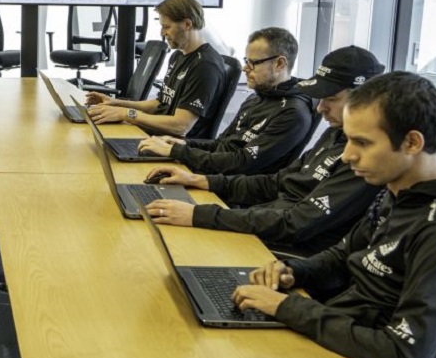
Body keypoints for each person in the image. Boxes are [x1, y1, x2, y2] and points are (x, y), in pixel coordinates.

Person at [231, 71, 436, 358]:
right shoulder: (400, 189)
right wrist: (292, 271)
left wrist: (288, 309)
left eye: (362, 143)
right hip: (340, 335)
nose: (346, 156)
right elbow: (344, 256)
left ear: (412, 143)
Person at [145, 46, 384, 257]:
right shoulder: (335, 133)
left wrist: (200, 215)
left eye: (331, 98)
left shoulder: (365, 160)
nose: (321, 108)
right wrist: (199, 180)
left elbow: (297, 224)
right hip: (267, 222)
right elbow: (276, 182)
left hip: (287, 248)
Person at [137, 27, 314, 175]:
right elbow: (222, 144)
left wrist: (178, 152)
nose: (245, 68)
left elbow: (243, 163)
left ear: (280, 64)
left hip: (231, 189)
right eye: (246, 61)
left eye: (253, 63)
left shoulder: (293, 114)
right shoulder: (256, 98)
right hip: (215, 174)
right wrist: (181, 143)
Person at [85, 0, 226, 137]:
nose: (162, 33)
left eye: (166, 27)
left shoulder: (205, 66)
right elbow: (160, 104)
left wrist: (127, 114)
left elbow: (181, 126)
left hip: (172, 146)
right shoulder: (178, 56)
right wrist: (116, 103)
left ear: (187, 24)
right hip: (156, 136)